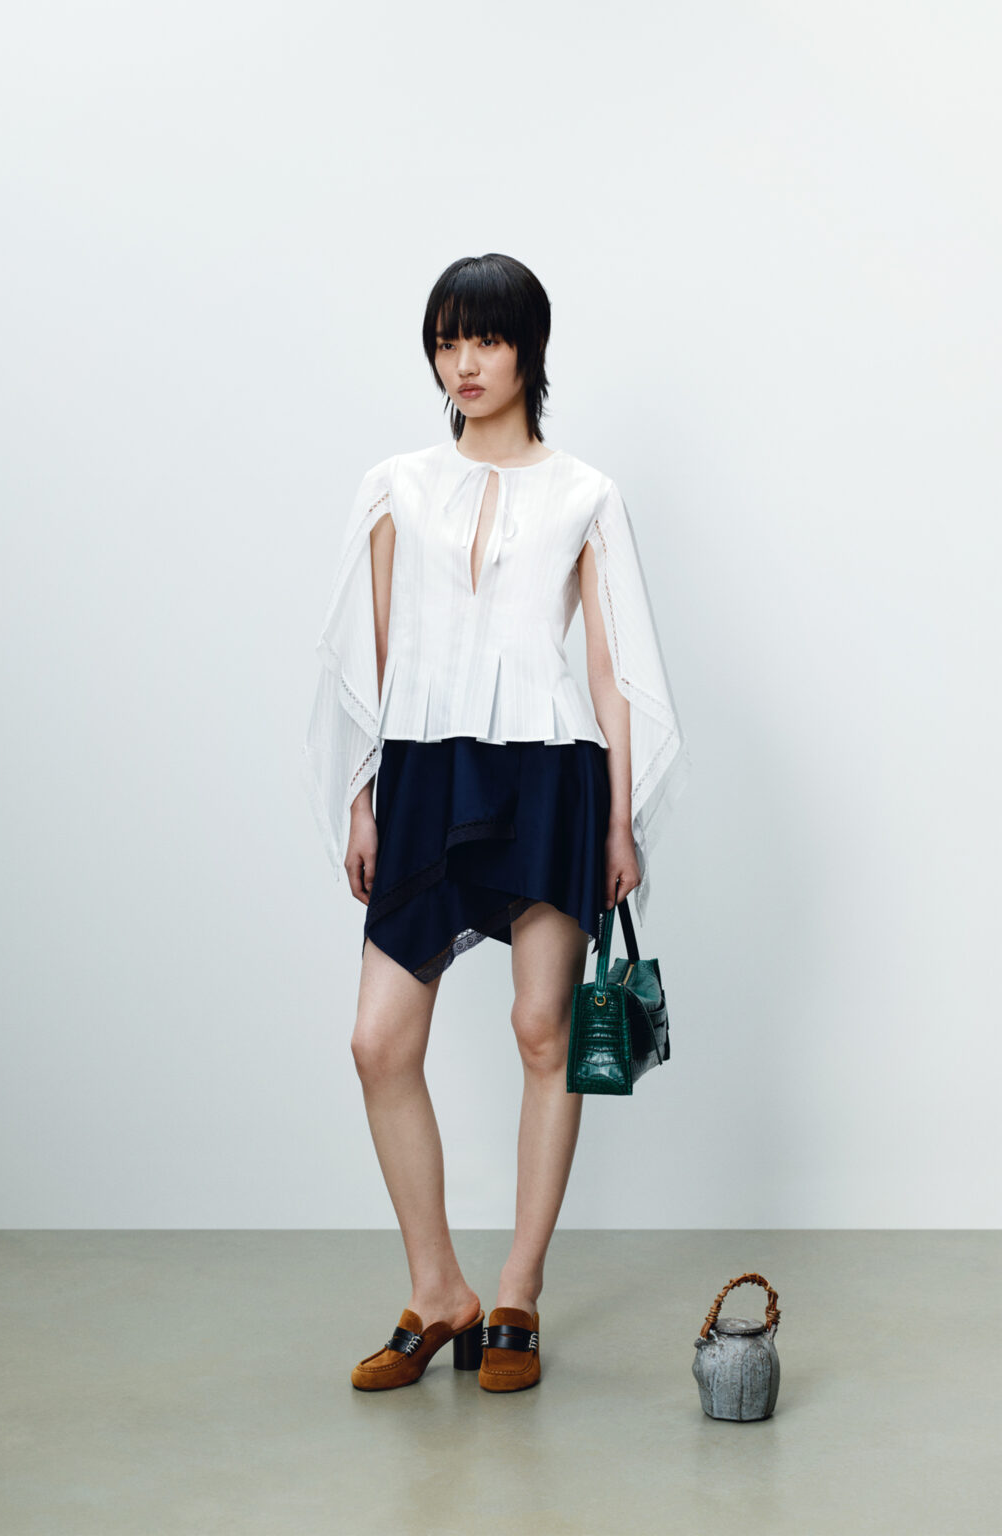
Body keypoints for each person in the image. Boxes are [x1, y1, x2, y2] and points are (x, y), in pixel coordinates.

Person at [303, 253, 691, 1393]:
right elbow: (370, 656)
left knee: (540, 1030)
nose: (462, 364)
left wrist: (620, 823)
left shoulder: (585, 493)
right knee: (379, 1041)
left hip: (551, 776)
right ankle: (440, 1292)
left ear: (530, 349)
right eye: (445, 341)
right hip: (427, 773)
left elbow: (611, 670)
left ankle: (517, 1291)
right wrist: (364, 795)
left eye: (485, 339)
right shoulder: (395, 485)